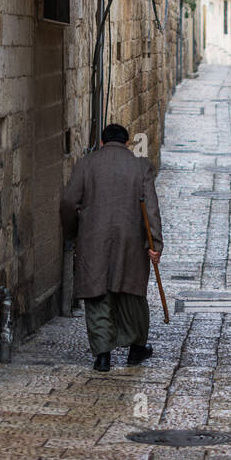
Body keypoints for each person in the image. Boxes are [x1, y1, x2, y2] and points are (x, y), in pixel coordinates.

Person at [60, 123, 164, 372]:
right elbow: (150, 208)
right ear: (127, 143)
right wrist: (155, 243)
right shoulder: (141, 167)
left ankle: (103, 355)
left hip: (93, 241)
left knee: (98, 295)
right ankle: (136, 349)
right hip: (131, 244)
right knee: (131, 295)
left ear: (103, 142)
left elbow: (68, 202)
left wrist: (74, 232)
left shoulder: (86, 164)